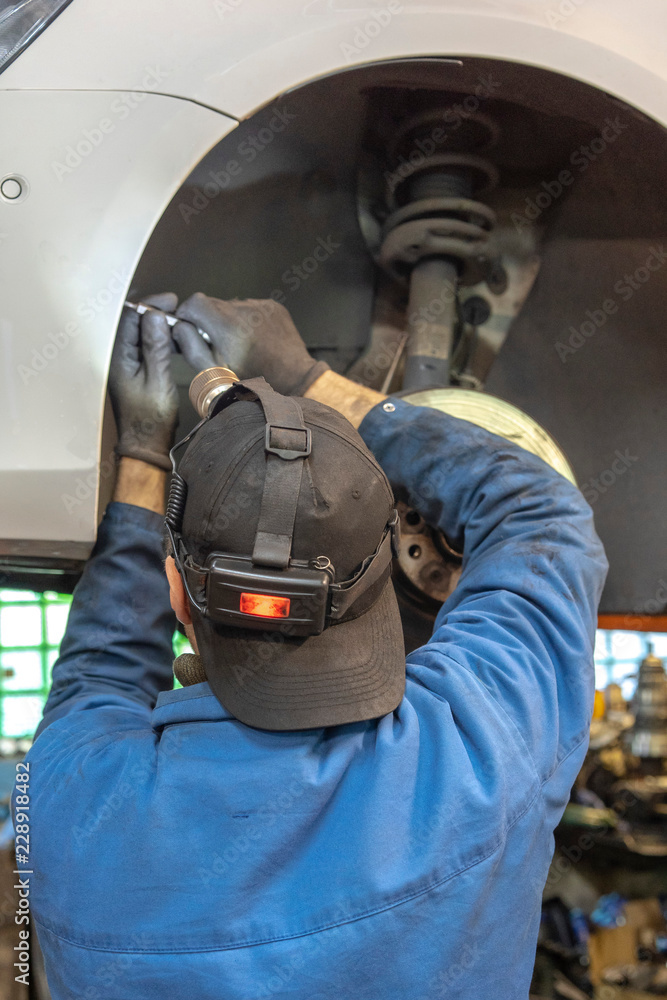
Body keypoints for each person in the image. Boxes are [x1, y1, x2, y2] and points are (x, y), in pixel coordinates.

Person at [14, 291, 607, 999]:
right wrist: (303, 380)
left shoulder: (62, 806)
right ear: (387, 568)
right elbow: (545, 520)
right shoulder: (480, 756)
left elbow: (95, 678)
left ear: (176, 594)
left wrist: (143, 452)